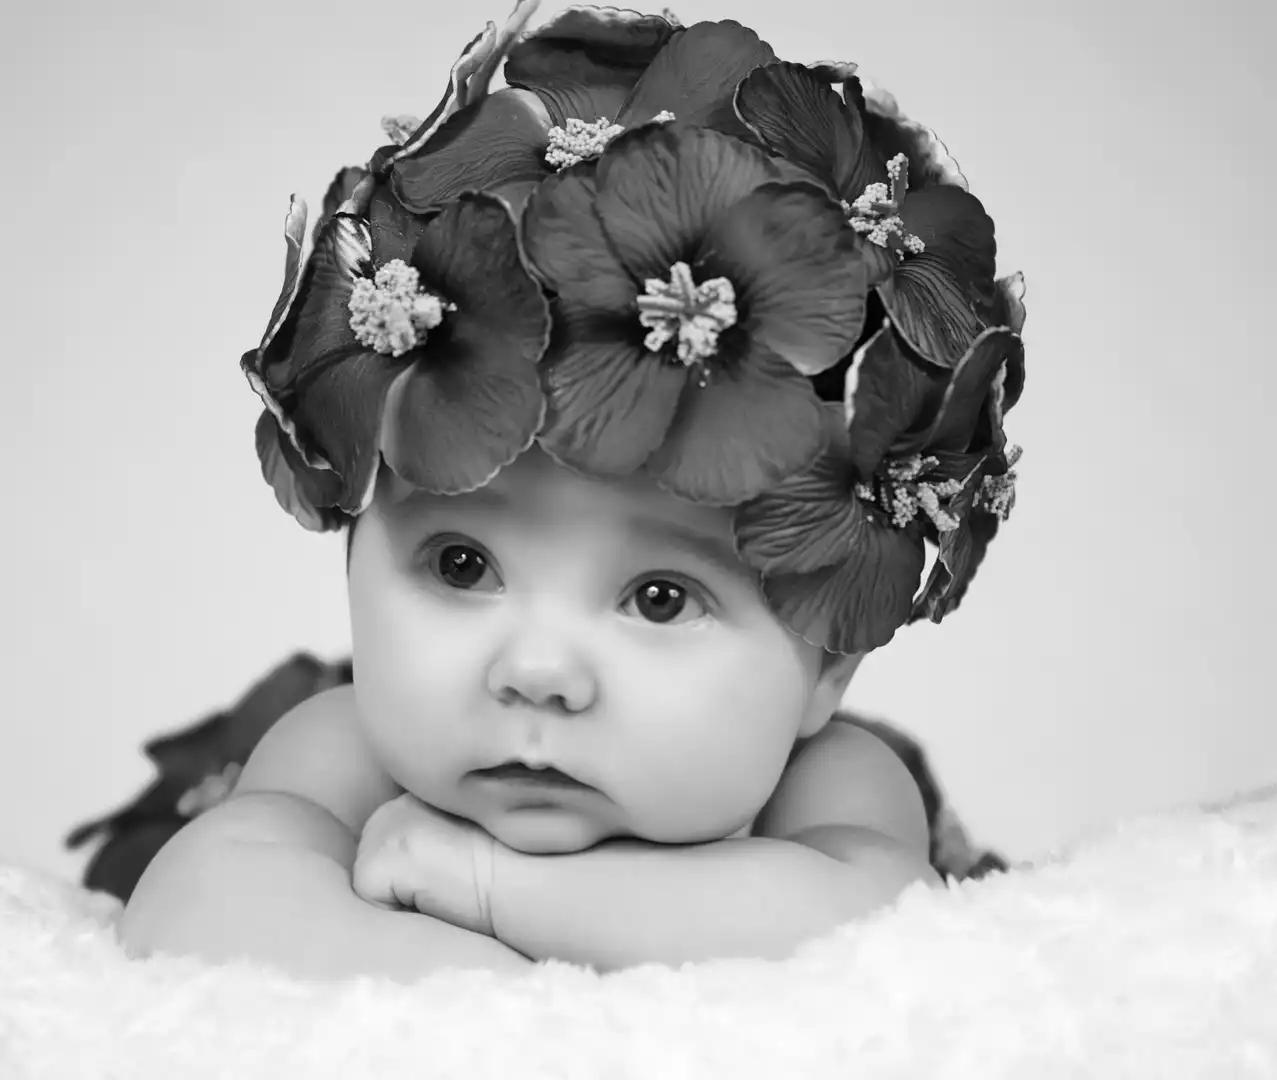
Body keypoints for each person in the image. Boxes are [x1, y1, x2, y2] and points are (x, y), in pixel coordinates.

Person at [119, 1, 1029, 983]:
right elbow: (195, 903)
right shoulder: (348, 753)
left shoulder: (826, 785)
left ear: (826, 674)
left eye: (661, 597)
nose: (540, 671)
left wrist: (496, 896)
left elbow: (871, 931)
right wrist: (492, 1000)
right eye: (461, 564)